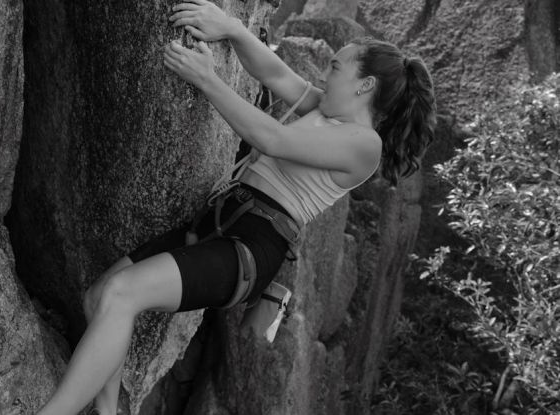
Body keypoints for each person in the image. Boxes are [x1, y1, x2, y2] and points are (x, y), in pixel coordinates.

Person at [37, 0, 436, 414]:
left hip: (250, 246)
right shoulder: (325, 110)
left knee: (121, 294)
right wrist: (231, 27)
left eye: (336, 66)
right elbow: (274, 72)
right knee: (100, 296)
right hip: (222, 221)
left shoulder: (364, 144)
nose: (325, 71)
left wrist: (207, 79)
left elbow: (273, 140)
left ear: (364, 85)